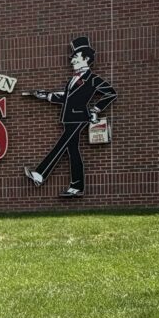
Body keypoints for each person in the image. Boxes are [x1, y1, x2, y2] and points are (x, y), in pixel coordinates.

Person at [24, 36, 116, 197]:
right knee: (72, 150)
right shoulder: (73, 79)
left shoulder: (92, 79)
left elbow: (111, 93)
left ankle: (40, 173)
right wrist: (45, 96)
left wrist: (95, 109)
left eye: (75, 56)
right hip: (68, 117)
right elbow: (65, 98)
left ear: (86, 58)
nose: (71, 60)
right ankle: (77, 187)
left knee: (61, 145)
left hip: (79, 117)